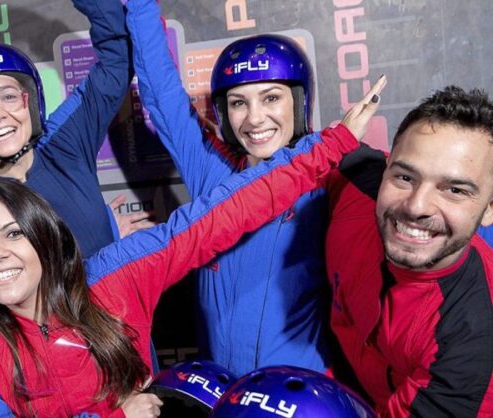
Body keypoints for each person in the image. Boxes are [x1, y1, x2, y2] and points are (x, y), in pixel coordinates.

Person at [0, 84, 380, 416]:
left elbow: (221, 215)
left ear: (44, 237)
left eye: (13, 234)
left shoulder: (112, 279)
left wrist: (325, 148)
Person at [124, 0, 387, 376]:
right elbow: (160, 90)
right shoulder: (211, 174)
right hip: (224, 396)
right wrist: (140, 5)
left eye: (271, 98)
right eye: (238, 103)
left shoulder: (331, 179)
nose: (254, 118)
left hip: (304, 399)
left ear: (298, 102)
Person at [326, 86, 493, 417]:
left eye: (455, 190)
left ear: (490, 209)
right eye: (405, 176)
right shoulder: (355, 183)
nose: (416, 206)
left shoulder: (475, 343)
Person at [0, 0, 152, 258]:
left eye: (9, 96)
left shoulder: (65, 139)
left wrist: (103, 235)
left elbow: (116, 62)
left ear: (30, 103)